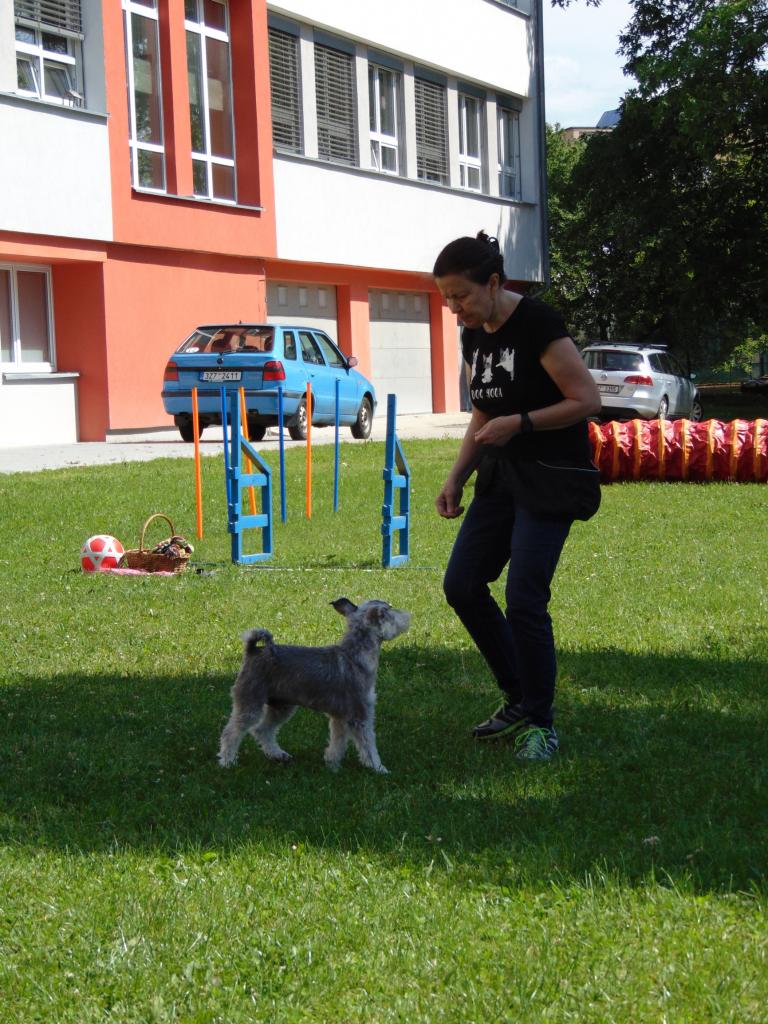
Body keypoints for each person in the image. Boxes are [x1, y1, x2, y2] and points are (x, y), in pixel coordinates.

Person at [434, 232, 602, 761]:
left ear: (493, 282)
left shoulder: (538, 324)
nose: (454, 308)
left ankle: (541, 723)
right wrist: (457, 476)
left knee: (525, 598)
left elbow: (586, 399)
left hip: (550, 478)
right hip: (500, 478)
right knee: (462, 585)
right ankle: (520, 698)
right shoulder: (473, 336)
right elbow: (483, 412)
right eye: (446, 298)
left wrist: (522, 423)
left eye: (461, 296)